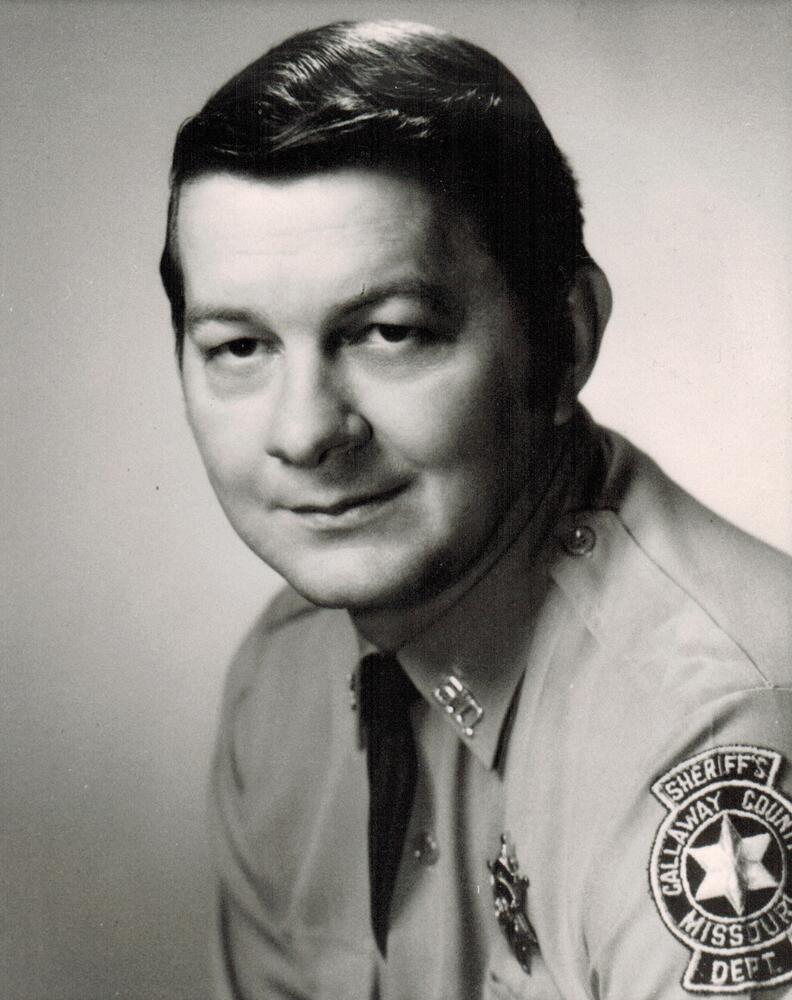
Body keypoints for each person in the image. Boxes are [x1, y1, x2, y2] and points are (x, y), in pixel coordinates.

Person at [159, 19, 792, 1000]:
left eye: (387, 332)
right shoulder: (281, 680)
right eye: (239, 346)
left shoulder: (718, 735)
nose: (304, 432)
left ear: (565, 340)